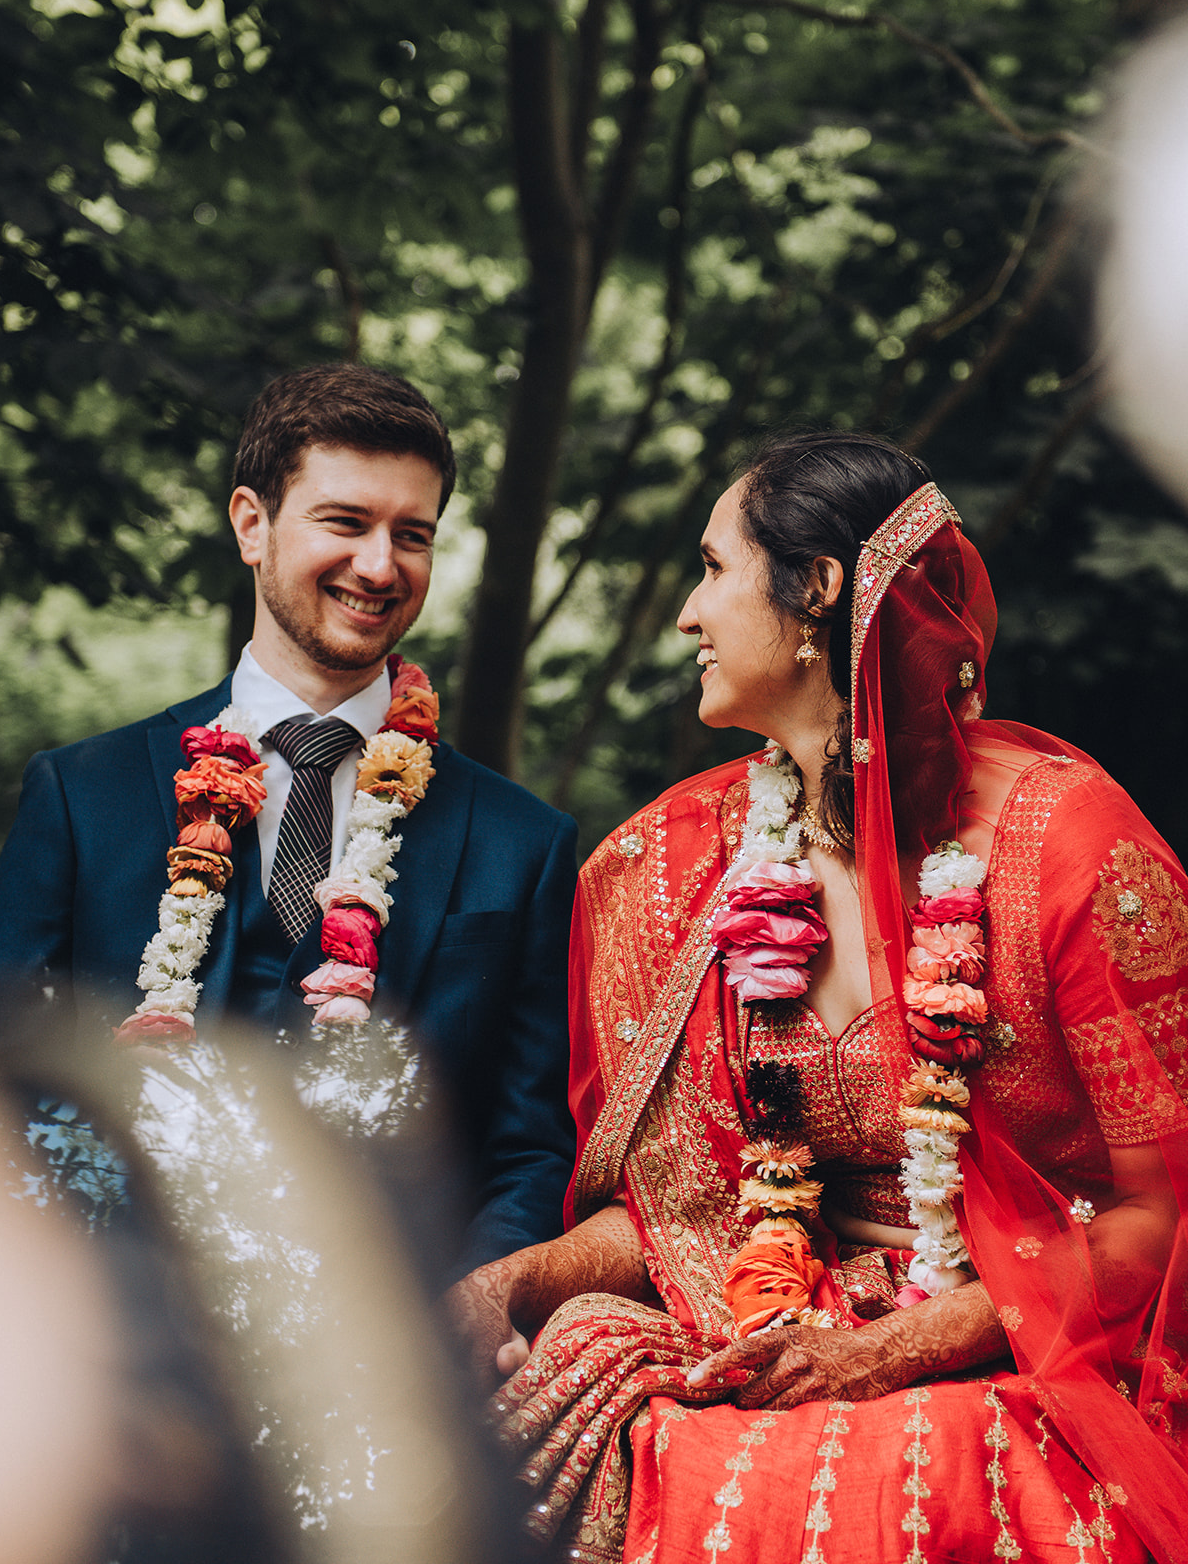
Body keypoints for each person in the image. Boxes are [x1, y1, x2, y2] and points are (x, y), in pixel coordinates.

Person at [448, 432, 1188, 1562]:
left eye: (712, 568)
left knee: (902, 1459)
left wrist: (890, 1352)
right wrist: (506, 1280)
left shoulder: (1063, 844)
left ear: (816, 592)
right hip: (770, 1308)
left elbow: (1161, 1212)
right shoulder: (666, 864)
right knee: (571, 1372)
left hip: (1028, 1344)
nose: (686, 616)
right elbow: (678, 1215)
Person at [0, 362, 578, 1271]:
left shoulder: (523, 844)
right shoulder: (81, 797)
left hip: (396, 1323)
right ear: (252, 524)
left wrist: (473, 1307)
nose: (380, 565)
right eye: (346, 522)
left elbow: (530, 1153)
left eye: (412, 535)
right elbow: (0, 1094)